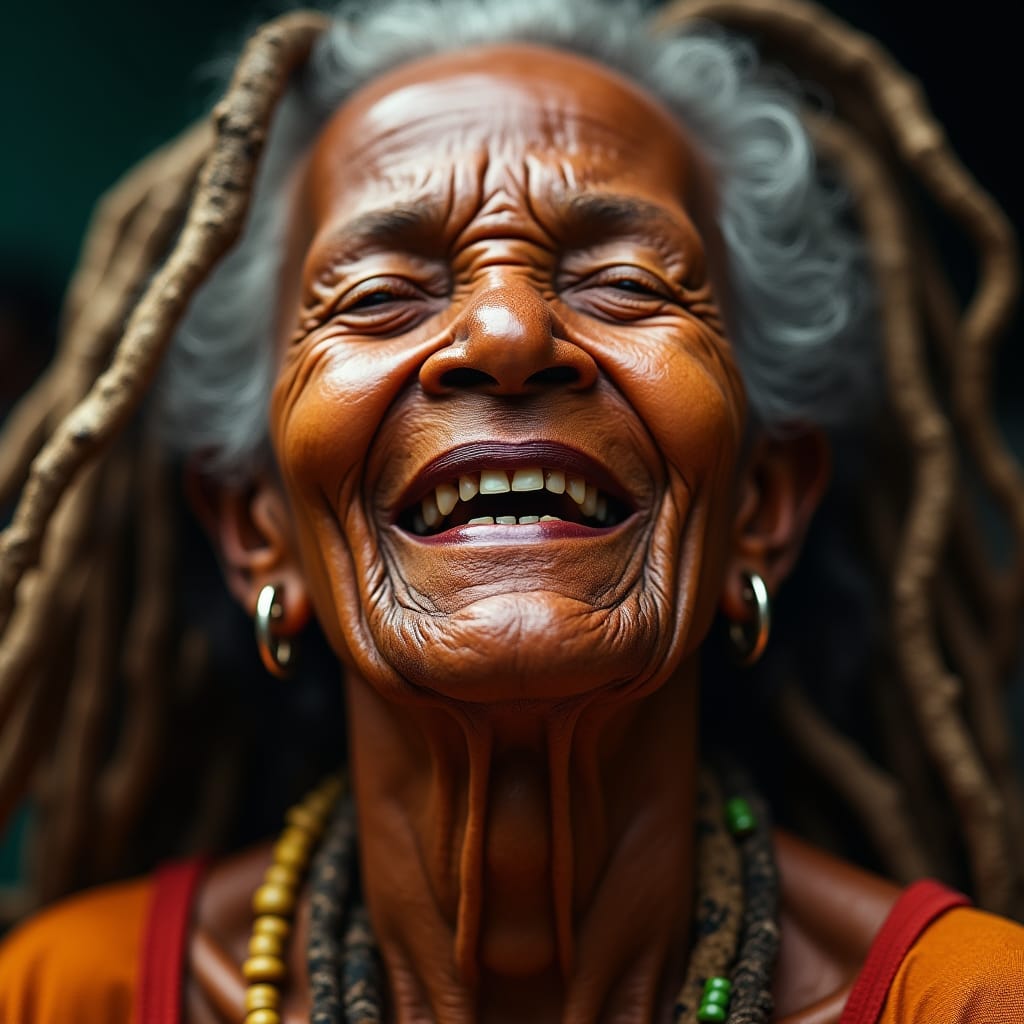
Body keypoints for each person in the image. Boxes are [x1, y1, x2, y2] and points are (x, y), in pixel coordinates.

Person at [0, 0, 1022, 1021]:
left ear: (762, 500)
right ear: (255, 524)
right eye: (379, 294)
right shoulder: (63, 997)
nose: (505, 330)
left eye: (623, 281)